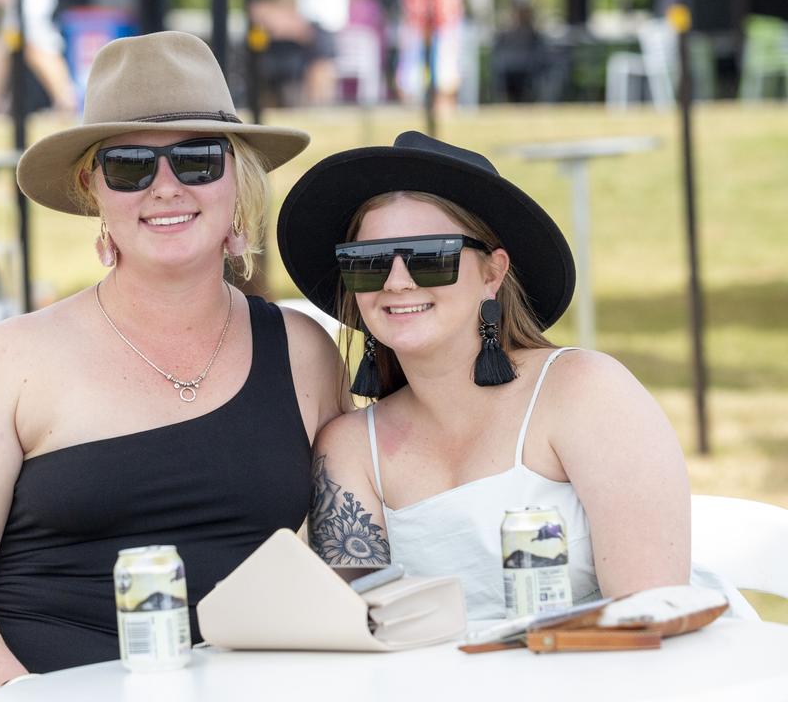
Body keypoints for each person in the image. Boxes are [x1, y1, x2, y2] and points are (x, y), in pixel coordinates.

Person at [0, 31, 345, 701]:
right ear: (92, 189)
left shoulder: (304, 351)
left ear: (238, 180)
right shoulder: (13, 359)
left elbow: (350, 559)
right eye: (130, 165)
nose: (166, 187)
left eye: (197, 160)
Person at [276, 130, 755, 620]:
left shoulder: (582, 391)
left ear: (492, 273)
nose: (397, 281)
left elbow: (652, 614)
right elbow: (356, 631)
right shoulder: (350, 449)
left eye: (429, 256)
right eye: (368, 262)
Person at [283, 0, 351, 105]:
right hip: (319, 15)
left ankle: (320, 105)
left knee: (322, 62)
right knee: (320, 64)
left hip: (321, 16)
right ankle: (319, 105)